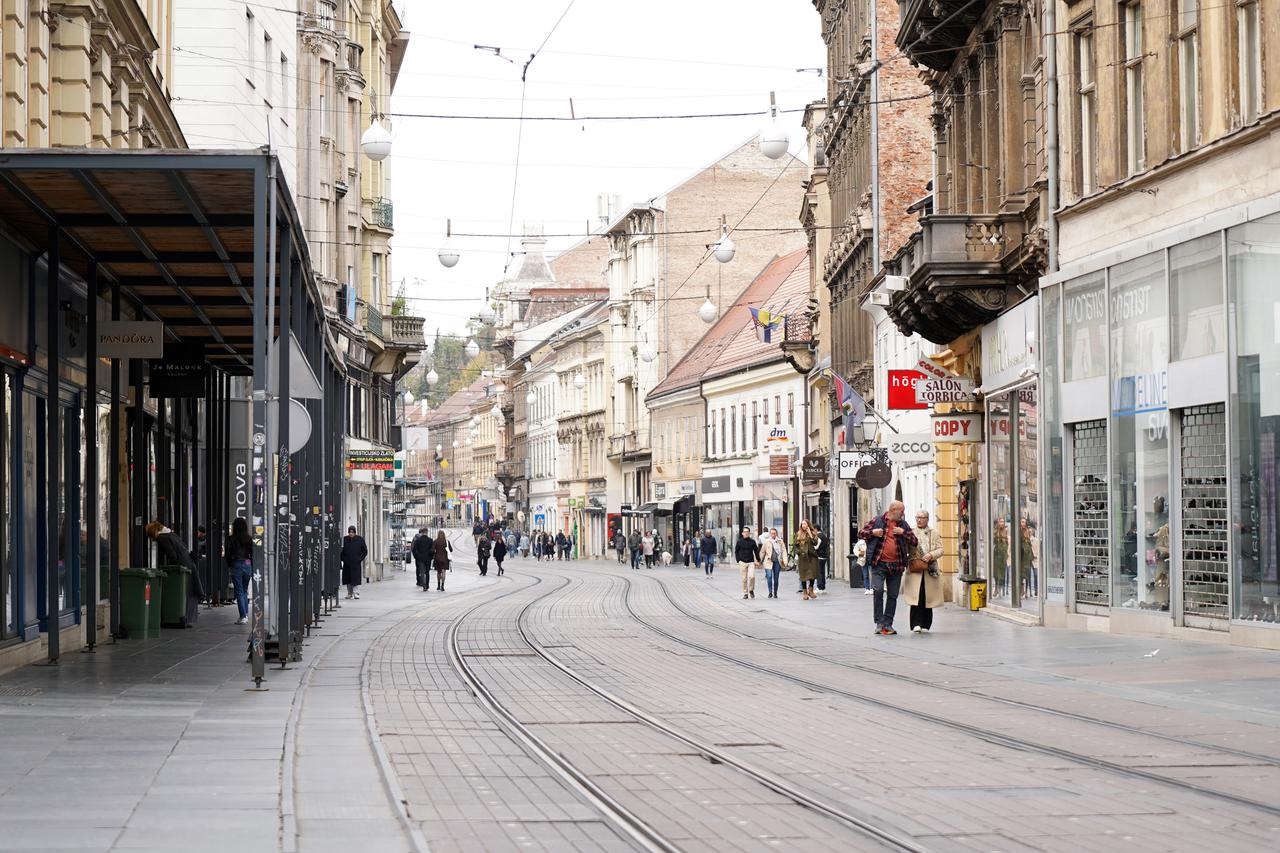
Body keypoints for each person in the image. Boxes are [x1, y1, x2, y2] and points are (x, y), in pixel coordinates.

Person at [859, 501, 917, 636]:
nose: (903, 514)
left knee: (892, 595)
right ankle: (879, 622)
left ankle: (888, 623)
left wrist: (904, 533)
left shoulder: (903, 525)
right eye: (901, 511)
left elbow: (914, 541)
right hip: (879, 563)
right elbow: (861, 533)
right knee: (878, 590)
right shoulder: (877, 521)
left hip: (896, 565)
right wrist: (873, 532)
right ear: (893, 510)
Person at [143, 521, 204, 627]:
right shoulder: (171, 533)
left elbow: (172, 555)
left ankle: (182, 618)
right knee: (189, 592)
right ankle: (187, 618)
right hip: (189, 563)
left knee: (185, 591)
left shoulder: (162, 538)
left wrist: (170, 567)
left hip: (182, 565)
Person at [907, 510, 945, 633]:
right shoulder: (911, 533)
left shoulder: (934, 533)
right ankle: (915, 624)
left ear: (927, 519)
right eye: (917, 517)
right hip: (915, 568)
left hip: (930, 569)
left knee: (928, 597)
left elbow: (941, 549)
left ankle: (926, 624)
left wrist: (931, 555)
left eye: (922, 517)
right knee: (916, 596)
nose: (919, 520)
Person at [225, 517, 253, 625]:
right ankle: (245, 614)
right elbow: (252, 553)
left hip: (236, 564)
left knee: (239, 591)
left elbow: (228, 554)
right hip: (247, 564)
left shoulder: (231, 539)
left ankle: (243, 616)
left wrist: (230, 564)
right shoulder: (249, 539)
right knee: (244, 590)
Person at [340, 526, 368, 600]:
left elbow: (364, 551)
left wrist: (359, 559)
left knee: (355, 579)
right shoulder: (345, 539)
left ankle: (356, 593)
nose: (351, 534)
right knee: (348, 579)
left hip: (356, 563)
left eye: (352, 532)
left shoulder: (360, 539)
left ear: (355, 532)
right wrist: (343, 559)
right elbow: (341, 550)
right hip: (347, 563)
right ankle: (349, 593)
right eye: (350, 532)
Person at [795, 519, 820, 600]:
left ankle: (811, 591)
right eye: (802, 524)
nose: (803, 526)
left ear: (808, 525)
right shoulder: (798, 534)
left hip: (812, 557)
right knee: (803, 575)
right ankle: (805, 592)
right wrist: (799, 553)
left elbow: (815, 543)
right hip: (802, 557)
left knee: (812, 574)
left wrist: (810, 533)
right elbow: (796, 546)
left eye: (805, 524)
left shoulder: (813, 533)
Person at [734, 526, 761, 599]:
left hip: (751, 562)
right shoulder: (739, 542)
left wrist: (758, 560)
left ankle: (751, 590)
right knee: (744, 578)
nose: (746, 533)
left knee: (752, 576)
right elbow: (736, 551)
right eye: (744, 532)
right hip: (742, 562)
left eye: (747, 532)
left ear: (749, 533)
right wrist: (738, 560)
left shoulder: (752, 542)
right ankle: (745, 593)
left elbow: (756, 551)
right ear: (742, 533)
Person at [757, 529, 776, 598]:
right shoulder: (767, 540)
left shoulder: (760, 536)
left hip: (768, 556)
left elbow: (759, 546)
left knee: (771, 576)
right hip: (767, 557)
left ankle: (773, 591)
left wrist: (759, 560)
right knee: (770, 575)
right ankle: (770, 592)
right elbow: (762, 551)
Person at [814, 524, 829, 593]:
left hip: (819, 556)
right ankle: (823, 587)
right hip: (824, 556)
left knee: (819, 572)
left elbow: (816, 546)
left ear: (816, 529)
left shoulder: (818, 536)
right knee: (822, 572)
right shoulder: (824, 536)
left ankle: (819, 587)